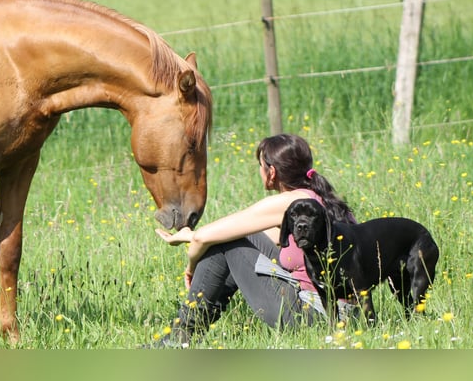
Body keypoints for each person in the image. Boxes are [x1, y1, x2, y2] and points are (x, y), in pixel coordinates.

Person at [149, 133, 356, 348]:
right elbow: (270, 240)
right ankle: (185, 333)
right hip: (348, 317)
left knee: (228, 242)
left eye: (260, 165)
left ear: (272, 172)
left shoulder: (288, 202)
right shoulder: (324, 200)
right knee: (232, 239)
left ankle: (180, 337)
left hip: (314, 318)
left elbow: (203, 237)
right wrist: (193, 237)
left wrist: (190, 266)